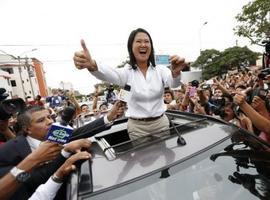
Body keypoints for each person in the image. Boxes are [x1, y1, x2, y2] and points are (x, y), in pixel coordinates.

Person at [73, 28, 186, 140]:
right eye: (138, 41)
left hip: (161, 124)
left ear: (151, 47)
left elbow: (173, 83)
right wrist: (92, 65)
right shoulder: (126, 72)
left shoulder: (161, 70)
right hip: (137, 128)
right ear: (131, 48)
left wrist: (175, 73)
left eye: (147, 41)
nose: (143, 44)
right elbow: (108, 73)